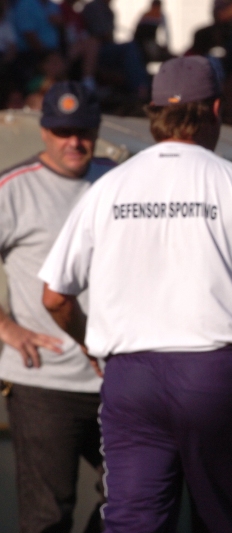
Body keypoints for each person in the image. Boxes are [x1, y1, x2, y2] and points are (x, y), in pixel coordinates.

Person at [38, 56, 232, 532]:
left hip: (129, 377)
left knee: (132, 524)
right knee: (224, 522)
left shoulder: (107, 187)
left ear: (155, 112)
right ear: (216, 109)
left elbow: (55, 297)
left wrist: (90, 345)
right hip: (213, 377)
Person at [0, 81, 113, 533]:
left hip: (117, 378)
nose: (74, 142)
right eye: (63, 131)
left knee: (131, 502)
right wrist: (6, 326)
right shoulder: (14, 188)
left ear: (97, 130)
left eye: (83, 131)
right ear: (44, 131)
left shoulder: (117, 180)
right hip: (43, 382)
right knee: (47, 517)